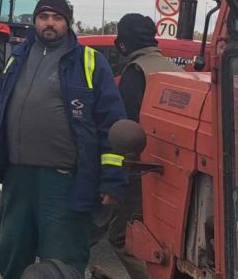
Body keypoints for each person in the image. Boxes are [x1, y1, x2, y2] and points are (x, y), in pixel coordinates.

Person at [0, 0, 128, 279]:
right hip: (19, 177)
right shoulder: (17, 58)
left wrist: (112, 178)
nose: (49, 23)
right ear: (34, 21)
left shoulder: (90, 62)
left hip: (65, 181)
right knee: (13, 251)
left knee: (62, 258)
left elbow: (112, 123)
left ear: (67, 23)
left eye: (57, 18)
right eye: (44, 17)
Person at [101, 14, 178, 279]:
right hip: (174, 172)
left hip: (142, 173)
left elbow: (126, 129)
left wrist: (115, 178)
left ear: (123, 44)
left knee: (121, 237)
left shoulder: (136, 74)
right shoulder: (172, 69)